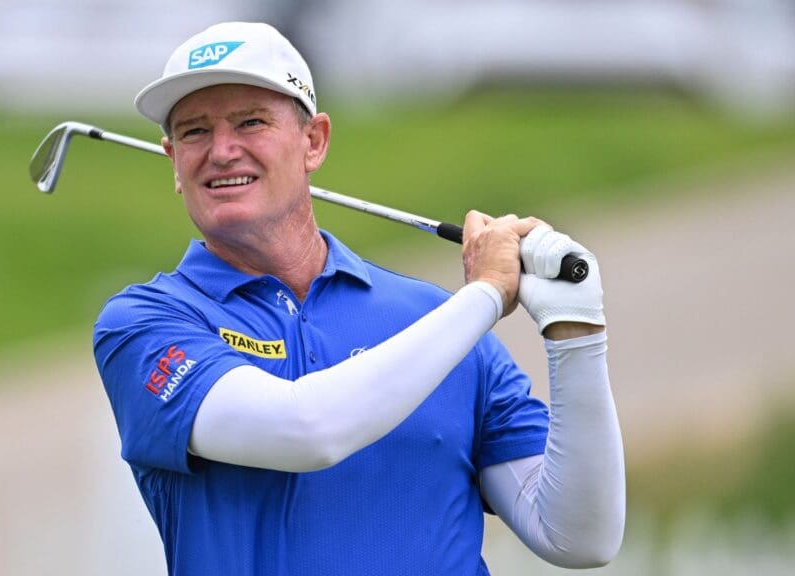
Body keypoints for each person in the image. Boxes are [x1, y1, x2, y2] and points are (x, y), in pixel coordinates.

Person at [93, 21, 625, 576]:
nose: (222, 151)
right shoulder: (144, 326)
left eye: (251, 122)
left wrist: (576, 330)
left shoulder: (436, 325)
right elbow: (308, 430)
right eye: (195, 132)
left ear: (314, 141)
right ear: (172, 159)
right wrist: (487, 294)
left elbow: (580, 537)